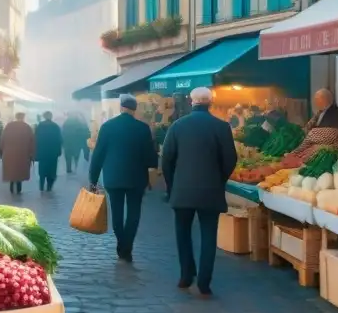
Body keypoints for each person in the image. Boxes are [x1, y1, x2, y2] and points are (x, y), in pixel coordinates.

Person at [161, 87, 237, 297]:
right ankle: (204, 282)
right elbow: (231, 159)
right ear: (210, 103)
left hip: (182, 190)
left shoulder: (177, 126)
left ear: (191, 101)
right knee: (209, 235)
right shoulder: (221, 127)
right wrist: (218, 179)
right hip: (210, 190)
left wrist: (171, 185)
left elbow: (166, 159)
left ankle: (186, 275)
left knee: (182, 233)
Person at [89, 95, 158, 262]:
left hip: (113, 177)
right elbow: (150, 156)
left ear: (121, 108)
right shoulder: (143, 128)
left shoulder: (107, 127)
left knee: (117, 213)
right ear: (135, 110)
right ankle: (127, 246)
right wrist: (151, 173)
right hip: (137, 178)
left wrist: (93, 178)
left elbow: (98, 154)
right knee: (134, 212)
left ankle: (122, 244)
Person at [0, 112, 36, 195]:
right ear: (23, 117)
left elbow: (2, 139)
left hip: (9, 153)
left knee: (11, 170)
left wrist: (1, 150)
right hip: (23, 154)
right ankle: (19, 187)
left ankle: (11, 186)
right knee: (20, 170)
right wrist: (31, 154)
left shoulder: (9, 126)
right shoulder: (27, 127)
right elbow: (32, 142)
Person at [34, 111, 64, 191]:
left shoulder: (40, 126)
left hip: (42, 152)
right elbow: (59, 140)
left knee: (42, 169)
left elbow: (35, 139)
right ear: (51, 116)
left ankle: (41, 185)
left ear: (44, 117)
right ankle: (49, 186)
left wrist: (36, 151)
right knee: (52, 170)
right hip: (53, 153)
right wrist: (59, 151)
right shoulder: (55, 126)